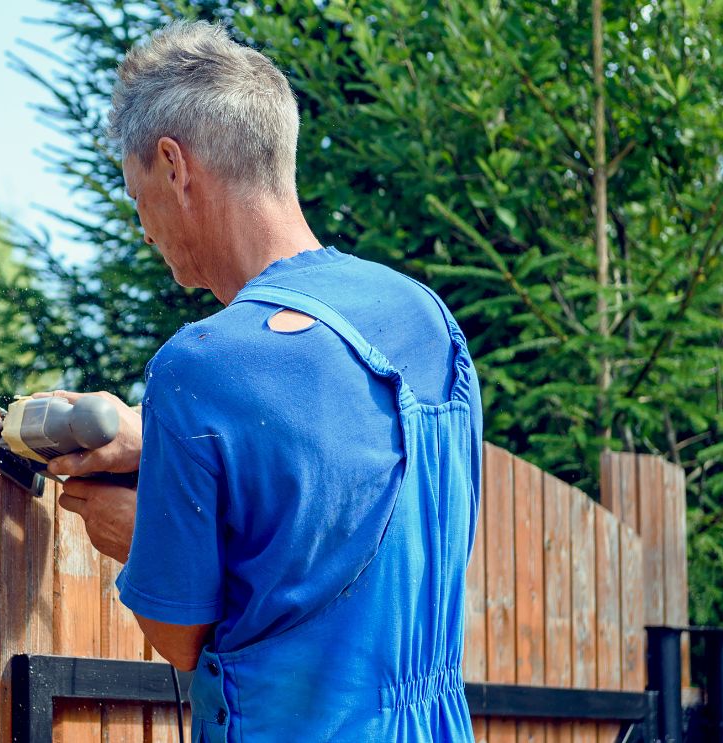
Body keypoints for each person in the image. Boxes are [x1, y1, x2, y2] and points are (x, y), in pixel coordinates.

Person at [43, 19, 482, 743]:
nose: (144, 231)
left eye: (135, 196)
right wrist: (149, 442)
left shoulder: (200, 368)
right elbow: (342, 461)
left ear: (173, 166)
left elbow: (182, 634)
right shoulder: (424, 319)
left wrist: (145, 531)